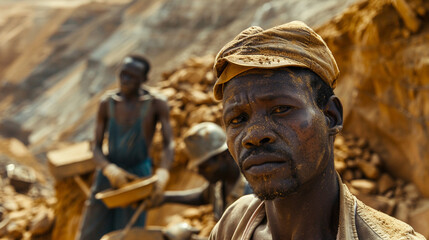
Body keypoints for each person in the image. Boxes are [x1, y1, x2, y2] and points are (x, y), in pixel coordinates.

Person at [209, 21, 425, 239]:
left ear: (331, 116)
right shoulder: (232, 225)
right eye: (237, 119)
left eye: (281, 109)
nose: (254, 135)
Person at [76, 55, 174, 240]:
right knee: (91, 228)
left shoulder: (156, 103)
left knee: (128, 232)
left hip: (137, 176)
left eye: (132, 76)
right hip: (108, 176)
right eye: (123, 74)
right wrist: (110, 170)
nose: (125, 80)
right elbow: (95, 147)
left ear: (143, 80)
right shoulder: (107, 103)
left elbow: (169, 143)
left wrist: (163, 173)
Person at [161, 122, 252, 221]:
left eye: (204, 167)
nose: (200, 172)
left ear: (224, 155)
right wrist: (165, 198)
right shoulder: (219, 183)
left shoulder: (251, 191)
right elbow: (202, 197)